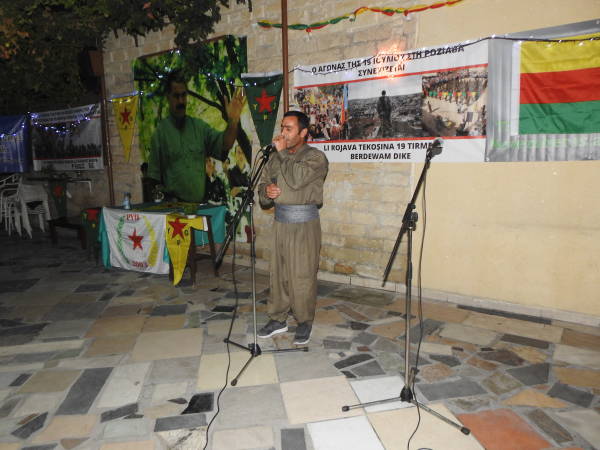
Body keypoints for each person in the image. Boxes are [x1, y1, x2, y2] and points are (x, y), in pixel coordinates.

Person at [257, 110, 328, 345]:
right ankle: (278, 318)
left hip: (304, 225)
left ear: (303, 132)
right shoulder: (274, 158)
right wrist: (267, 192)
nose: (283, 133)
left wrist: (281, 154)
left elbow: (297, 179)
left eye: (289, 129)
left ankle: (304, 321)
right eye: (282, 128)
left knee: (302, 275)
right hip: (281, 223)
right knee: (278, 274)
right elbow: (263, 187)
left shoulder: (316, 157)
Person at [147, 70, 245, 203]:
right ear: (168, 97)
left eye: (183, 95)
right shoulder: (160, 133)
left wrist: (233, 120)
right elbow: (152, 181)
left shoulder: (199, 128)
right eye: (176, 96)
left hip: (198, 208)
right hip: (172, 210)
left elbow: (225, 144)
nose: (181, 101)